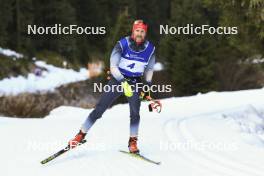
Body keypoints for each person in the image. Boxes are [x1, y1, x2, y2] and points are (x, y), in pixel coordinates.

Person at [68, 20, 156, 154]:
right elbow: (113, 67)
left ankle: (133, 142)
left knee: (135, 113)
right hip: (117, 79)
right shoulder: (122, 44)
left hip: (135, 82)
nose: (139, 34)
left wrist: (148, 86)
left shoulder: (150, 49)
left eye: (142, 31)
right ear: (133, 31)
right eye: (137, 31)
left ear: (145, 33)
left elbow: (149, 69)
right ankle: (80, 135)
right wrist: (123, 82)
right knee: (99, 108)